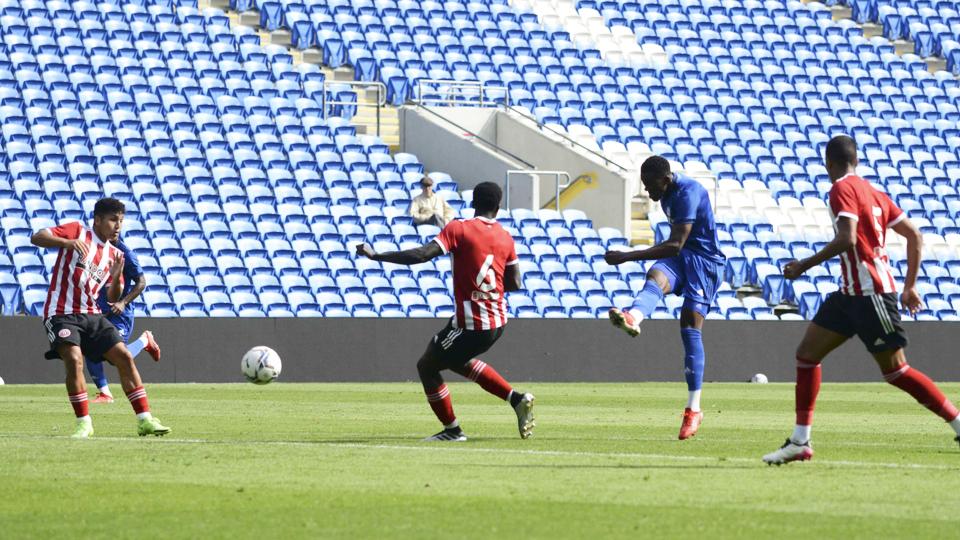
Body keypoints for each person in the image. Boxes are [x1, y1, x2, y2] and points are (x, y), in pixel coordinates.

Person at [762, 135, 960, 464]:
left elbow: (847, 238)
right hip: (849, 294)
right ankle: (800, 441)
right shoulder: (874, 193)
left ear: (829, 163)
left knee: (896, 371)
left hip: (870, 293)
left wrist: (804, 265)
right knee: (807, 354)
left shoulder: (841, 188)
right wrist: (910, 285)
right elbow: (914, 234)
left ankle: (957, 422)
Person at [357, 182, 535, 441]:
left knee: (427, 366)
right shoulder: (505, 237)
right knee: (456, 360)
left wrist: (377, 256)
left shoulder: (459, 229)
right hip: (498, 322)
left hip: (471, 324)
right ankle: (516, 399)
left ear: (473, 203)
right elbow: (515, 283)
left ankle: (453, 431)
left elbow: (421, 255)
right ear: (498, 208)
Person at [604, 156, 726, 440]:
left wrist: (627, 256)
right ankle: (634, 316)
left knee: (688, 328)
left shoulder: (688, 193)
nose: (648, 192)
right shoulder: (667, 191)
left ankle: (693, 409)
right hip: (682, 258)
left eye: (650, 186)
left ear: (666, 180)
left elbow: (674, 244)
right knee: (655, 276)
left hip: (705, 264)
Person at [31, 197, 170, 438]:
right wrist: (68, 242)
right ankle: (84, 423)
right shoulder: (77, 231)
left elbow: (112, 295)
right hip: (61, 312)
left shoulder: (115, 254)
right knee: (74, 360)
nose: (118, 225)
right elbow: (37, 237)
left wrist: (116, 277)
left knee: (124, 356)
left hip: (92, 314)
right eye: (113, 220)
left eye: (121, 221)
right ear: (97, 220)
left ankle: (145, 420)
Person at [85, 235, 162, 404]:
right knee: (89, 347)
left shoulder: (126, 254)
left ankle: (145, 340)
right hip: (99, 311)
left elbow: (141, 282)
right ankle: (105, 393)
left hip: (119, 313)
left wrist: (122, 302)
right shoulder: (95, 251)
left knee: (116, 356)